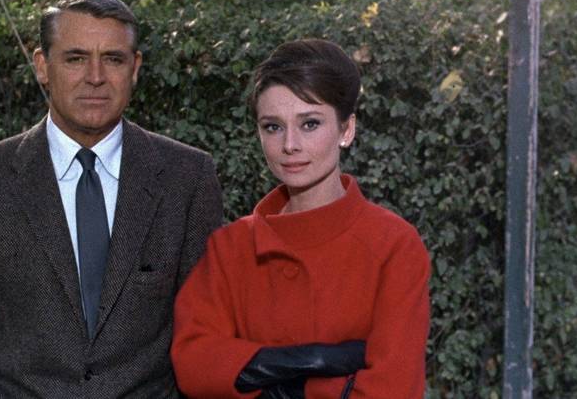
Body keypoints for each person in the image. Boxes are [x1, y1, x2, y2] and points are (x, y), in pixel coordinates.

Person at [0, 0, 223, 397]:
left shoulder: (187, 178)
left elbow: (207, 341)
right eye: (75, 58)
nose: (95, 76)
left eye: (113, 59)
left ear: (135, 68)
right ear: (43, 66)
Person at [171, 38, 431, 398]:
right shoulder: (230, 247)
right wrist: (313, 368)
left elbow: (394, 388)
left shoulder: (393, 246)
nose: (289, 144)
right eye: (273, 126)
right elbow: (193, 363)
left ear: (347, 129)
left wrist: (262, 376)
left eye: (309, 124)